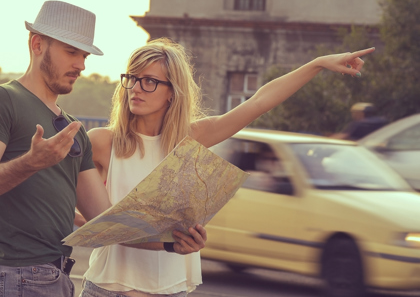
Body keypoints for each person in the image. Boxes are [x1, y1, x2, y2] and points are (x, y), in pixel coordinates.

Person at [79, 38, 375, 296]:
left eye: (150, 81)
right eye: (131, 78)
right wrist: (91, 226)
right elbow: (78, 213)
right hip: (109, 289)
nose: (136, 88)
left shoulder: (191, 139)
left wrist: (317, 64)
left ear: (172, 92)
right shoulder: (103, 142)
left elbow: (259, 102)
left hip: (170, 290)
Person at [0, 1, 206, 297]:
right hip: (15, 275)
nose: (81, 64)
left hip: (58, 277)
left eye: (84, 55)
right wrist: (31, 163)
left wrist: (171, 242)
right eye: (71, 52)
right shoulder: (0, 99)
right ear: (38, 44)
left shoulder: (73, 128)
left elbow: (107, 221)